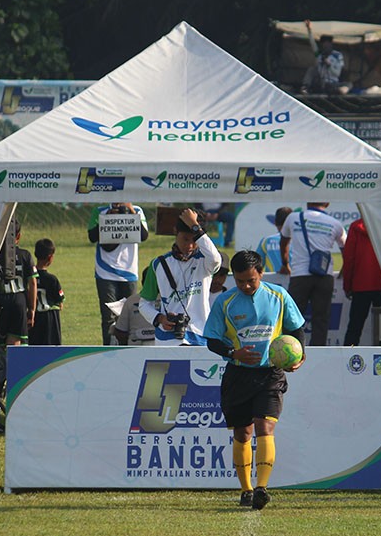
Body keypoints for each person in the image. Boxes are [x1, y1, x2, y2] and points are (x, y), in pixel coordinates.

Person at [204, 250, 306, 510]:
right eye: (240, 281)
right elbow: (212, 340)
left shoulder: (279, 296)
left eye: (251, 280)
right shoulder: (225, 302)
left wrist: (299, 356)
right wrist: (232, 353)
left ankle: (262, 487)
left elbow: (296, 330)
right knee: (243, 432)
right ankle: (246, 490)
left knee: (265, 427)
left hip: (270, 373)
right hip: (238, 375)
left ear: (261, 273)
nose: (246, 286)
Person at [139, 207, 222, 346]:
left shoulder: (205, 261)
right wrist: (160, 318)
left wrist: (195, 227)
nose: (189, 245)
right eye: (185, 239)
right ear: (175, 232)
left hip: (200, 335)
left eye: (194, 240)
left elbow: (215, 259)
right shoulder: (158, 264)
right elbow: (144, 304)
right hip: (168, 338)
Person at [279, 202, 346, 347]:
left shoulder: (293, 217)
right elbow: (346, 249)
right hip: (325, 275)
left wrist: (285, 264)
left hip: (299, 276)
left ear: (308, 202)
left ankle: (290, 351)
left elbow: (284, 242)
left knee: (292, 317)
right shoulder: (335, 223)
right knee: (321, 318)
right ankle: (318, 351)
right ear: (327, 203)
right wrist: (344, 268)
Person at [89, 202, 149, 345]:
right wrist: (108, 219)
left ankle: (129, 347)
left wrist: (131, 210)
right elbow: (92, 236)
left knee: (131, 314)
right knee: (108, 316)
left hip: (129, 271)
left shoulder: (137, 210)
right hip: (105, 271)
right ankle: (108, 349)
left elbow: (144, 235)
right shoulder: (100, 210)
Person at [341, 216, 381, 346]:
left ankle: (347, 359)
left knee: (355, 327)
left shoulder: (355, 227)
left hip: (360, 284)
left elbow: (349, 258)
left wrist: (347, 285)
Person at [0, 219, 37, 346]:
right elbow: (33, 283)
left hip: (0, 298)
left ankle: (1, 364)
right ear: (18, 236)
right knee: (15, 339)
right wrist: (32, 308)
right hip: (18, 299)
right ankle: (12, 364)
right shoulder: (25, 255)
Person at [31, 238, 64, 346]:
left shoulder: (30, 277)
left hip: (34, 318)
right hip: (49, 319)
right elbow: (60, 301)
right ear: (50, 257)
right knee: (51, 347)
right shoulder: (52, 279)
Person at [113, 268, 156, 346]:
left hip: (135, 347)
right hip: (164, 347)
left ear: (143, 282)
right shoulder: (171, 302)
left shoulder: (131, 301)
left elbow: (120, 332)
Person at [300, 21, 344, 94]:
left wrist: (329, 65)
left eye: (327, 44)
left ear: (331, 44)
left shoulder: (337, 55)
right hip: (320, 82)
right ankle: (305, 87)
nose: (325, 46)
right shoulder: (320, 55)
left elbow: (337, 74)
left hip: (332, 83)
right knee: (311, 69)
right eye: (323, 44)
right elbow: (313, 44)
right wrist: (309, 30)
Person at [257, 207, 293, 273]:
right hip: (295, 280)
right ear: (292, 222)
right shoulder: (299, 240)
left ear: (275, 223)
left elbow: (256, 267)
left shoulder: (266, 241)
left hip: (271, 282)